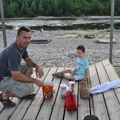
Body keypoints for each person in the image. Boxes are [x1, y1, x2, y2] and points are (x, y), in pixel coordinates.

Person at [0, 26, 44, 108]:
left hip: (8, 73)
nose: (28, 41)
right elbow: (16, 75)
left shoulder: (21, 46)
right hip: (2, 79)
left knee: (29, 67)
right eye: (25, 37)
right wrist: (34, 81)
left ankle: (21, 91)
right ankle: (4, 96)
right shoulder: (14, 52)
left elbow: (28, 60)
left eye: (29, 38)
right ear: (17, 37)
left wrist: (37, 67)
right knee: (29, 88)